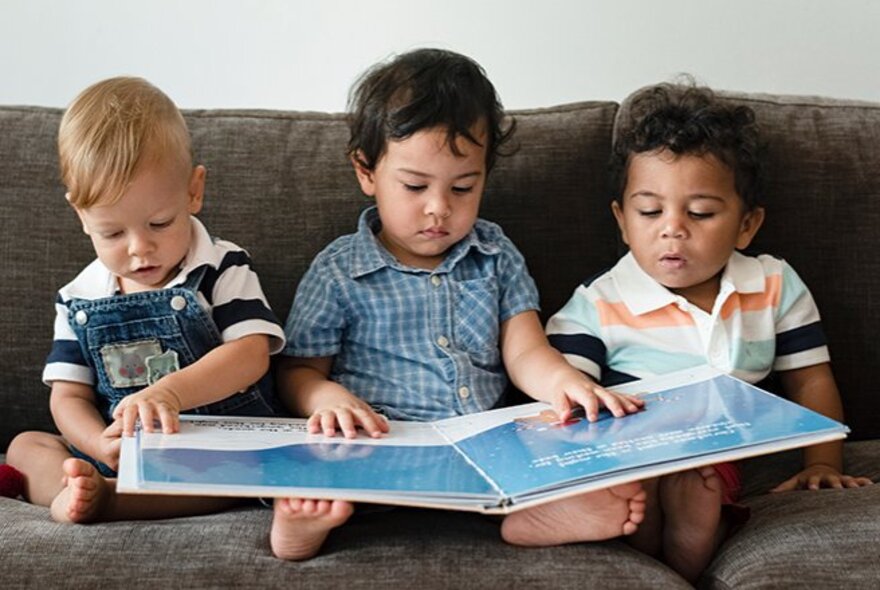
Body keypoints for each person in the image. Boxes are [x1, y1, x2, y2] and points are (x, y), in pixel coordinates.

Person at [269, 48, 647, 561]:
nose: (439, 209)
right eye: (415, 186)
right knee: (316, 463)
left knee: (559, 444)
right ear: (366, 171)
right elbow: (296, 371)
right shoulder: (339, 269)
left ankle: (531, 513)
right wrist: (325, 398)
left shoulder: (495, 255)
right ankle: (305, 526)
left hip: (485, 449)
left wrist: (565, 385)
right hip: (380, 446)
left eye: (463, 187)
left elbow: (525, 351)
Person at [545, 81, 874, 582]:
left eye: (700, 213)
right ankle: (649, 525)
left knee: (701, 482)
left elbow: (810, 380)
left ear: (746, 225)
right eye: (650, 211)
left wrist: (822, 461)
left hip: (720, 452)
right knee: (638, 480)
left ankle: (689, 539)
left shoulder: (772, 284)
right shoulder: (598, 302)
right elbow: (564, 395)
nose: (672, 228)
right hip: (634, 446)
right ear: (622, 221)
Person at [4, 77, 286, 524]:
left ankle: (114, 501)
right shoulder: (78, 298)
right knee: (25, 446)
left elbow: (251, 354)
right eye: (113, 233)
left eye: (159, 223)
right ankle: (75, 489)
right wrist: (98, 444)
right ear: (81, 215)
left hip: (210, 446)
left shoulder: (221, 267)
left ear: (194, 191)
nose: (139, 248)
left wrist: (170, 393)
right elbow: (68, 397)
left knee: (247, 470)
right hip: (117, 451)